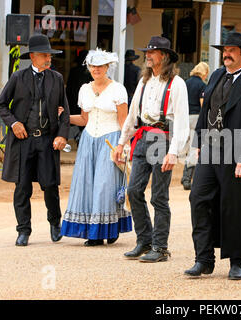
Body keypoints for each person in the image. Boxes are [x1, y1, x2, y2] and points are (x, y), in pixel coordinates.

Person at [184, 32, 241, 280]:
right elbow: (206, 111)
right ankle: (203, 259)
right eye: (225, 50)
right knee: (198, 199)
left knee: (235, 206)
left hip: (236, 152)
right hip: (210, 149)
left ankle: (236, 260)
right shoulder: (216, 75)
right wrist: (199, 140)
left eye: (232, 50)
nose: (226, 54)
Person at [113, 36, 189, 262]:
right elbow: (132, 114)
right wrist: (121, 142)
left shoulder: (177, 84)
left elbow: (182, 122)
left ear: (164, 56)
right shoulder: (144, 81)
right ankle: (144, 240)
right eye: (147, 51)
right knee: (134, 190)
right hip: (143, 136)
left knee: (159, 196)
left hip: (162, 139)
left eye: (152, 52)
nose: (147, 55)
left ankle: (160, 247)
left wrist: (174, 151)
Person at [0, 34, 70, 246]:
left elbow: (65, 112)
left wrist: (62, 135)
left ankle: (55, 224)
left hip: (47, 140)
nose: (48, 58)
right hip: (23, 140)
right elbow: (1, 105)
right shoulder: (18, 77)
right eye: (44, 55)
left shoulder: (57, 78)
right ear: (34, 57)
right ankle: (23, 230)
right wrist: (14, 123)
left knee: (50, 185)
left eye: (49, 55)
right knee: (22, 188)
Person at [60, 48, 133, 246]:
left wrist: (123, 146)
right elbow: (84, 119)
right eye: (93, 66)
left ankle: (108, 228)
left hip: (110, 139)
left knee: (104, 184)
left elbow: (123, 120)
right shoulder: (84, 89)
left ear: (107, 67)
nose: (96, 69)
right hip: (88, 139)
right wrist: (63, 117)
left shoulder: (118, 89)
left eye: (100, 66)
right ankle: (93, 232)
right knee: (87, 184)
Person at [180, 61, 209, 190]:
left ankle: (187, 177)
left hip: (185, 117)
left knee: (186, 148)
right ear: (204, 72)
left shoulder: (186, 83)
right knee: (194, 148)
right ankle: (186, 179)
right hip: (196, 118)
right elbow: (203, 104)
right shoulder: (202, 85)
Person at [65, 50, 93, 143]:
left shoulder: (75, 70)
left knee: (81, 120)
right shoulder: (89, 72)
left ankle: (80, 137)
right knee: (84, 120)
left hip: (75, 100)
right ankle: (81, 137)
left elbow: (69, 88)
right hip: (84, 101)